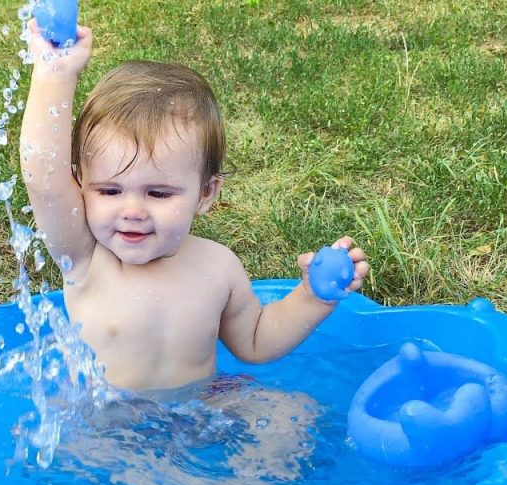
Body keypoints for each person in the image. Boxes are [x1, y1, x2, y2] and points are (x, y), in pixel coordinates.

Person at [20, 21, 371, 392]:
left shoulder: (218, 268)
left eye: (158, 194)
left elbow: (255, 341)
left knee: (290, 415)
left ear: (205, 193)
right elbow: (43, 179)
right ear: (81, 185)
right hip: (111, 424)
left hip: (198, 411)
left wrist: (312, 298)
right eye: (109, 191)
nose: (133, 210)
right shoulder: (86, 256)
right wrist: (54, 74)